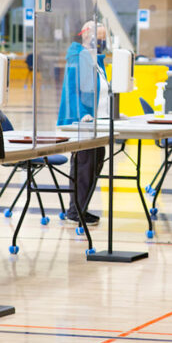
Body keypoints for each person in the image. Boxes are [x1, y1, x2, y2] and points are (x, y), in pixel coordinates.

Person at [57, 20, 107, 225]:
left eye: (103, 39)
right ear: (86, 34)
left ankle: (82, 207)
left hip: (99, 121)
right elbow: (72, 90)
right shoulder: (78, 58)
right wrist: (80, 116)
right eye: (99, 38)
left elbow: (100, 89)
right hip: (84, 121)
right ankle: (74, 211)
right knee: (84, 165)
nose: (101, 43)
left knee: (95, 162)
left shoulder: (96, 60)